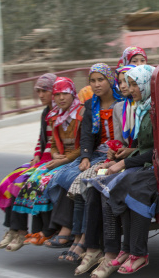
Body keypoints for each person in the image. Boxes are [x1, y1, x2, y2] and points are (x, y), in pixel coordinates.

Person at [76, 65, 157, 278]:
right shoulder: (140, 108)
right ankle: (95, 248)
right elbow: (142, 145)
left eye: (134, 84)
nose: (130, 89)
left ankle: (120, 250)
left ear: (147, 85)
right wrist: (125, 153)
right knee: (95, 185)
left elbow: (156, 150)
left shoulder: (156, 110)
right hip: (139, 160)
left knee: (111, 187)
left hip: (148, 166)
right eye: (128, 84)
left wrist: (125, 163)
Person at [45, 63, 123, 255]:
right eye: (92, 81)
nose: (97, 85)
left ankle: (83, 240)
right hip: (96, 153)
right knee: (63, 177)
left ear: (110, 80)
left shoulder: (123, 103)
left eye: (101, 80)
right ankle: (78, 237)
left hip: (114, 156)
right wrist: (86, 156)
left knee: (82, 185)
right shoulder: (91, 105)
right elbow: (87, 134)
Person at [8, 77, 84, 251]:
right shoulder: (54, 116)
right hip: (60, 158)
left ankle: (51, 228)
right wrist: (56, 154)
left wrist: (61, 159)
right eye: (57, 94)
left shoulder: (80, 114)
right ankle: (28, 230)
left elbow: (84, 146)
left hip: (75, 158)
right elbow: (53, 143)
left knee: (50, 181)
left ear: (72, 93)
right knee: (31, 180)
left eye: (65, 93)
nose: (61, 98)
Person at [0, 73, 57, 249]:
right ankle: (14, 229)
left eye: (44, 91)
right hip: (41, 160)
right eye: (38, 91)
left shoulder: (60, 113)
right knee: (10, 181)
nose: (41, 95)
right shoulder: (46, 112)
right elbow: (41, 139)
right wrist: (37, 154)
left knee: (21, 183)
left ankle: (21, 232)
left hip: (53, 162)